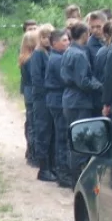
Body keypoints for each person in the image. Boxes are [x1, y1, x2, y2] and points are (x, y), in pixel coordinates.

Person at [60, 22, 102, 183]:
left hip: (68, 100)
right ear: (84, 35)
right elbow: (83, 81)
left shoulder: (68, 51)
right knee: (80, 141)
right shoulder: (80, 55)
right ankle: (77, 178)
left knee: (73, 138)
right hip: (79, 102)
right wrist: (100, 86)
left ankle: (73, 175)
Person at [45, 29, 72, 188]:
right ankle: (63, 173)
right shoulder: (57, 59)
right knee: (62, 136)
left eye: (68, 40)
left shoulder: (58, 57)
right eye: (63, 40)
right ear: (54, 43)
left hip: (56, 99)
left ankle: (61, 169)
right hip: (57, 100)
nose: (67, 43)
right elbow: (65, 79)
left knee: (61, 135)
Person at [29, 24, 56, 182]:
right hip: (42, 99)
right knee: (43, 131)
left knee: (51, 132)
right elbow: (37, 79)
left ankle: (51, 166)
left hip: (49, 98)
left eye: (49, 36)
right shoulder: (38, 55)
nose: (47, 40)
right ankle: (43, 168)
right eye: (44, 37)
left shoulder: (50, 52)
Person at [18, 30, 37, 166]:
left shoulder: (23, 57)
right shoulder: (32, 59)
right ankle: (33, 153)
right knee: (33, 124)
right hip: (32, 93)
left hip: (27, 92)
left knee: (30, 123)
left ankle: (30, 151)